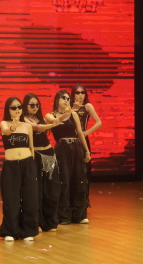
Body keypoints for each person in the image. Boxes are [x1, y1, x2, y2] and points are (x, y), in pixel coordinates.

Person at [46, 90, 90, 225]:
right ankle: (64, 216)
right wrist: (66, 113)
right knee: (63, 180)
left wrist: (86, 151)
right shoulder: (50, 115)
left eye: (68, 98)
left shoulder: (74, 114)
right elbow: (55, 122)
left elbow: (80, 133)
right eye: (63, 98)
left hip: (76, 147)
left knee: (79, 179)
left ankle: (79, 214)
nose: (66, 100)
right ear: (57, 99)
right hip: (62, 149)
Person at [22, 93, 64, 232]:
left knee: (52, 190)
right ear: (25, 105)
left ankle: (51, 222)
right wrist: (52, 125)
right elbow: (36, 128)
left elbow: (57, 120)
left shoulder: (41, 118)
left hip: (49, 154)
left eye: (37, 105)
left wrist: (67, 113)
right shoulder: (23, 119)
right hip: (35, 156)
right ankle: (37, 222)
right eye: (32, 105)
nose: (35, 107)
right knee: (37, 191)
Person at [0, 97, 38, 242]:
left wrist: (32, 164)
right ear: (8, 109)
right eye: (13, 107)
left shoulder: (27, 126)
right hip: (11, 165)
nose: (17, 110)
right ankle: (11, 230)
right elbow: (6, 132)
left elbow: (31, 147)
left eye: (19, 107)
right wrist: (13, 127)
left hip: (27, 163)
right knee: (11, 198)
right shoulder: (4, 123)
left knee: (30, 197)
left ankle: (28, 230)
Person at [71, 84, 102, 206]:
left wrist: (86, 133)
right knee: (72, 170)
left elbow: (99, 122)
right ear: (73, 94)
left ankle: (84, 199)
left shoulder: (87, 106)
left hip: (83, 141)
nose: (80, 95)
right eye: (77, 93)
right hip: (70, 140)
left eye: (82, 92)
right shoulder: (69, 107)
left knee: (85, 170)